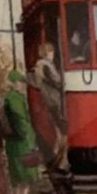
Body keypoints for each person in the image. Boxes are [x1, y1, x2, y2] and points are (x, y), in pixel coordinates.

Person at [1, 68, 40, 194]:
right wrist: (28, 136)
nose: (22, 85)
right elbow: (20, 120)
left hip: (17, 142)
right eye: (19, 82)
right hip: (21, 142)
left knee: (19, 173)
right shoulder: (14, 98)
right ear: (14, 83)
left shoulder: (13, 97)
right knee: (24, 173)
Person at [33, 37, 67, 172]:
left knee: (59, 133)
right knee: (63, 133)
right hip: (54, 101)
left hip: (47, 101)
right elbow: (57, 82)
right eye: (51, 52)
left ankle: (56, 161)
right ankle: (58, 161)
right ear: (47, 53)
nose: (53, 54)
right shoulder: (46, 66)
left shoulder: (38, 66)